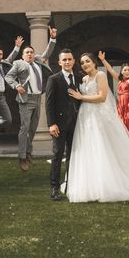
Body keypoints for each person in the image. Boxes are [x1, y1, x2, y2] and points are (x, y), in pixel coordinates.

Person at [66, 53, 129, 202]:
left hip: (98, 116)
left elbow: (102, 97)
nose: (85, 64)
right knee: (88, 148)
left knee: (102, 147)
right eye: (82, 62)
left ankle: (109, 183)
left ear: (94, 62)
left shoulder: (100, 75)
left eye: (88, 61)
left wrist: (81, 97)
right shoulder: (83, 79)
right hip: (85, 117)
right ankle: (90, 182)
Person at [5, 27, 57, 171]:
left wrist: (52, 38)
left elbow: (47, 53)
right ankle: (22, 156)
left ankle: (28, 151)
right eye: (27, 52)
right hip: (25, 99)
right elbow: (8, 77)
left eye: (31, 52)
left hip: (38, 98)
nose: (30, 54)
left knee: (33, 129)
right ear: (23, 55)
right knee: (25, 128)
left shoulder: (38, 61)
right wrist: (16, 86)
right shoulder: (18, 64)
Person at [45, 48, 81, 201]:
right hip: (59, 125)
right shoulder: (54, 79)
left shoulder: (79, 78)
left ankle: (71, 184)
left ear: (73, 61)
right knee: (57, 155)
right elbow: (49, 104)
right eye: (64, 60)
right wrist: (51, 124)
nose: (67, 62)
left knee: (74, 155)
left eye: (69, 59)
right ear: (59, 62)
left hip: (77, 124)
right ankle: (54, 188)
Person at [98, 51, 129, 156]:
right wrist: (103, 60)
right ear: (121, 71)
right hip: (121, 108)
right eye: (125, 70)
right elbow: (110, 69)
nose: (127, 71)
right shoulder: (120, 81)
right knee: (122, 129)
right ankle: (125, 152)